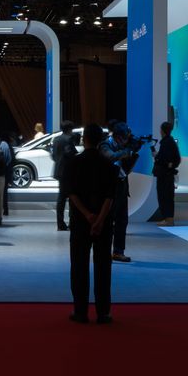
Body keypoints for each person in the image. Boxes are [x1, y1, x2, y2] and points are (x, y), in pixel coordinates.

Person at [65, 124, 117, 324]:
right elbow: (110, 197)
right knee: (103, 267)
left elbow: (71, 193)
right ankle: (103, 313)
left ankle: (80, 311)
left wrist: (88, 215)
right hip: (103, 224)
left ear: (84, 138)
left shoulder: (73, 163)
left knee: (79, 266)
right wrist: (100, 219)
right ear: (100, 140)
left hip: (80, 221)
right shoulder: (109, 166)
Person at [103, 122, 137, 263]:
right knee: (108, 221)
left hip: (122, 186)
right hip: (109, 187)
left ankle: (118, 251)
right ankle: (104, 251)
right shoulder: (105, 145)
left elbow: (126, 166)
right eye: (124, 137)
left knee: (122, 220)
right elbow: (110, 157)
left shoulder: (123, 146)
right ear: (117, 136)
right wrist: (127, 152)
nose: (126, 140)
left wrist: (132, 152)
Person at [52, 121, 80, 231]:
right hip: (68, 171)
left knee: (61, 198)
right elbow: (71, 154)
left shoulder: (56, 139)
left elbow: (54, 155)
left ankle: (60, 223)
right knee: (72, 197)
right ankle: (71, 222)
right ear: (70, 129)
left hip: (59, 170)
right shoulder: (68, 139)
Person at [153, 121, 181, 227]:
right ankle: (168, 218)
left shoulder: (166, 142)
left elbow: (165, 159)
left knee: (165, 196)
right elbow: (176, 159)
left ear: (162, 130)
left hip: (165, 175)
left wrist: (158, 157)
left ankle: (168, 219)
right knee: (166, 196)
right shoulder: (169, 141)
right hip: (166, 174)